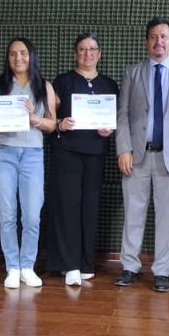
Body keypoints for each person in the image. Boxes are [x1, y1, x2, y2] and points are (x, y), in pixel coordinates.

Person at [116, 18, 169, 292]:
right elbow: (122, 115)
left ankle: (162, 270)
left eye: (164, 36)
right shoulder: (132, 73)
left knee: (167, 217)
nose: (158, 41)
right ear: (146, 42)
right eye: (153, 36)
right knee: (133, 213)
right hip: (137, 156)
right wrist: (123, 149)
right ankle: (129, 266)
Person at [46, 32, 118, 286]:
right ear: (75, 53)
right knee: (67, 207)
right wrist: (59, 124)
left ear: (99, 53)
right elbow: (49, 116)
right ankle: (69, 265)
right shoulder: (62, 81)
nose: (88, 53)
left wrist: (110, 129)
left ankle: (86, 262)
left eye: (92, 49)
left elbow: (116, 119)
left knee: (90, 207)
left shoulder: (110, 85)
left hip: (96, 154)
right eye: (82, 49)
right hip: (66, 152)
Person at [0, 37, 56, 289]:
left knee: (31, 215)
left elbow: (52, 124)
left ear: (32, 56)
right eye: (13, 53)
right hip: (2, 153)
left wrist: (33, 118)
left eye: (23, 53)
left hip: (32, 155)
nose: (18, 58)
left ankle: (27, 265)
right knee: (7, 214)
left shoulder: (44, 86)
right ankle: (12, 267)